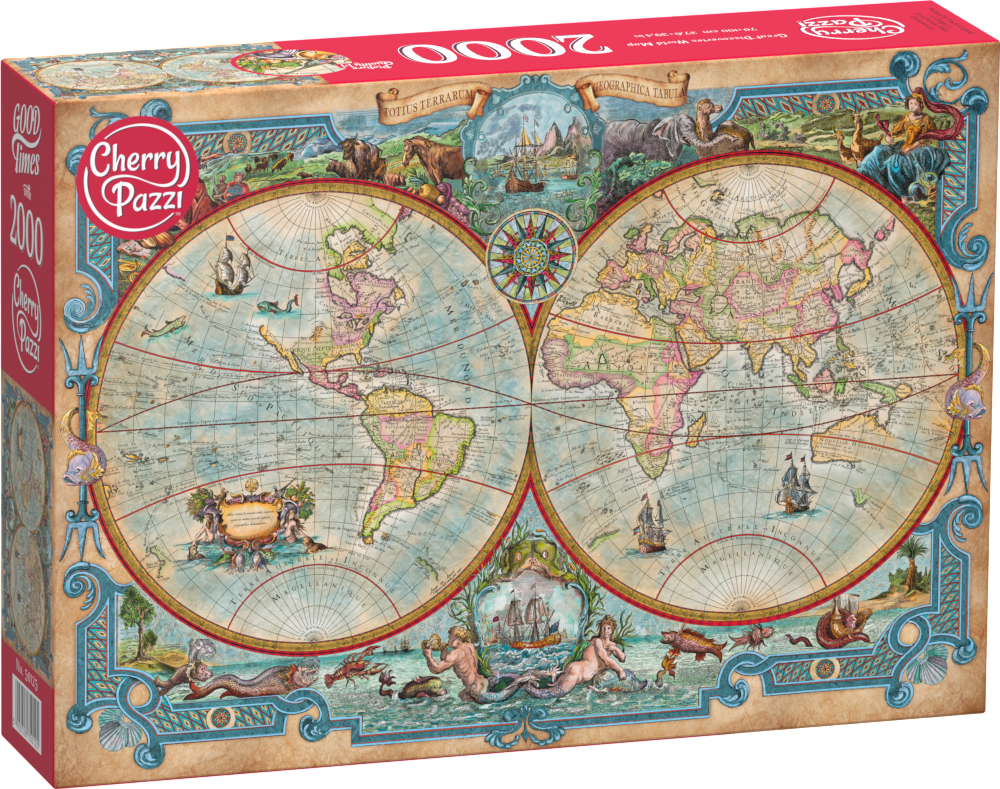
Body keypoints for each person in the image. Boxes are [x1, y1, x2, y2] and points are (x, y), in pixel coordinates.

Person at [857, 88, 962, 203]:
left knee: (894, 161)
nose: (912, 106)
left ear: (921, 106)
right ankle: (864, 172)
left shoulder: (926, 120)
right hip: (904, 146)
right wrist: (889, 137)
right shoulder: (907, 117)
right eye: (910, 103)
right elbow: (898, 131)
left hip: (917, 148)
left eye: (915, 104)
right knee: (879, 150)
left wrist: (912, 148)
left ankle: (902, 193)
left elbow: (928, 138)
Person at [514, 615, 646, 698]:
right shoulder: (597, 641)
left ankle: (522, 683)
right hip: (578, 670)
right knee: (552, 694)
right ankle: (520, 684)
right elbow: (605, 658)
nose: (606, 631)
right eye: (604, 628)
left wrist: (615, 648)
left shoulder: (611, 646)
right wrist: (620, 670)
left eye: (608, 629)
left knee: (552, 691)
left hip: (578, 671)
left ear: (612, 630)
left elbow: (622, 658)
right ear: (600, 629)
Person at [422, 626, 534, 704]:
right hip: (482, 682)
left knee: (506, 692)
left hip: (478, 693)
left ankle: (520, 682)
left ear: (457, 639)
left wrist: (428, 655)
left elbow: (436, 669)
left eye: (450, 638)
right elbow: (448, 661)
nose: (448, 640)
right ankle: (520, 681)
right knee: (461, 697)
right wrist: (443, 650)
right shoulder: (469, 646)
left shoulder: (456, 653)